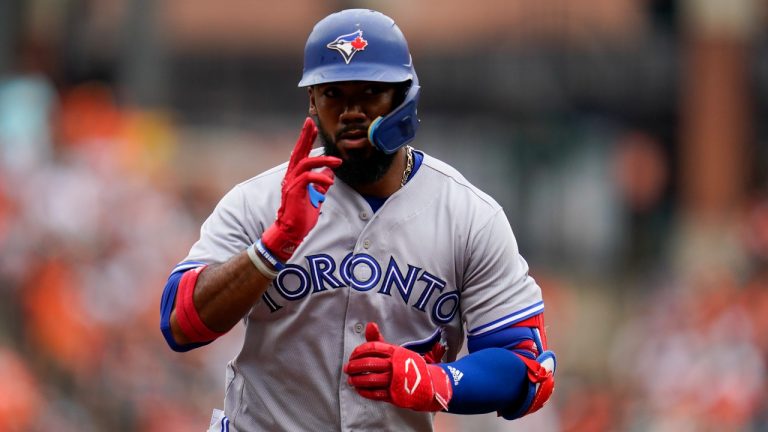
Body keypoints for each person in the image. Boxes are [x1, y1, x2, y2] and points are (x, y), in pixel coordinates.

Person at [160, 9, 556, 432]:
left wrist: (437, 381)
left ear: (404, 97)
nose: (352, 111)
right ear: (312, 101)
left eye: (370, 91)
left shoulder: (467, 216)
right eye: (334, 94)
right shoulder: (259, 200)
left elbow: (527, 368)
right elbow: (180, 324)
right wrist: (273, 245)